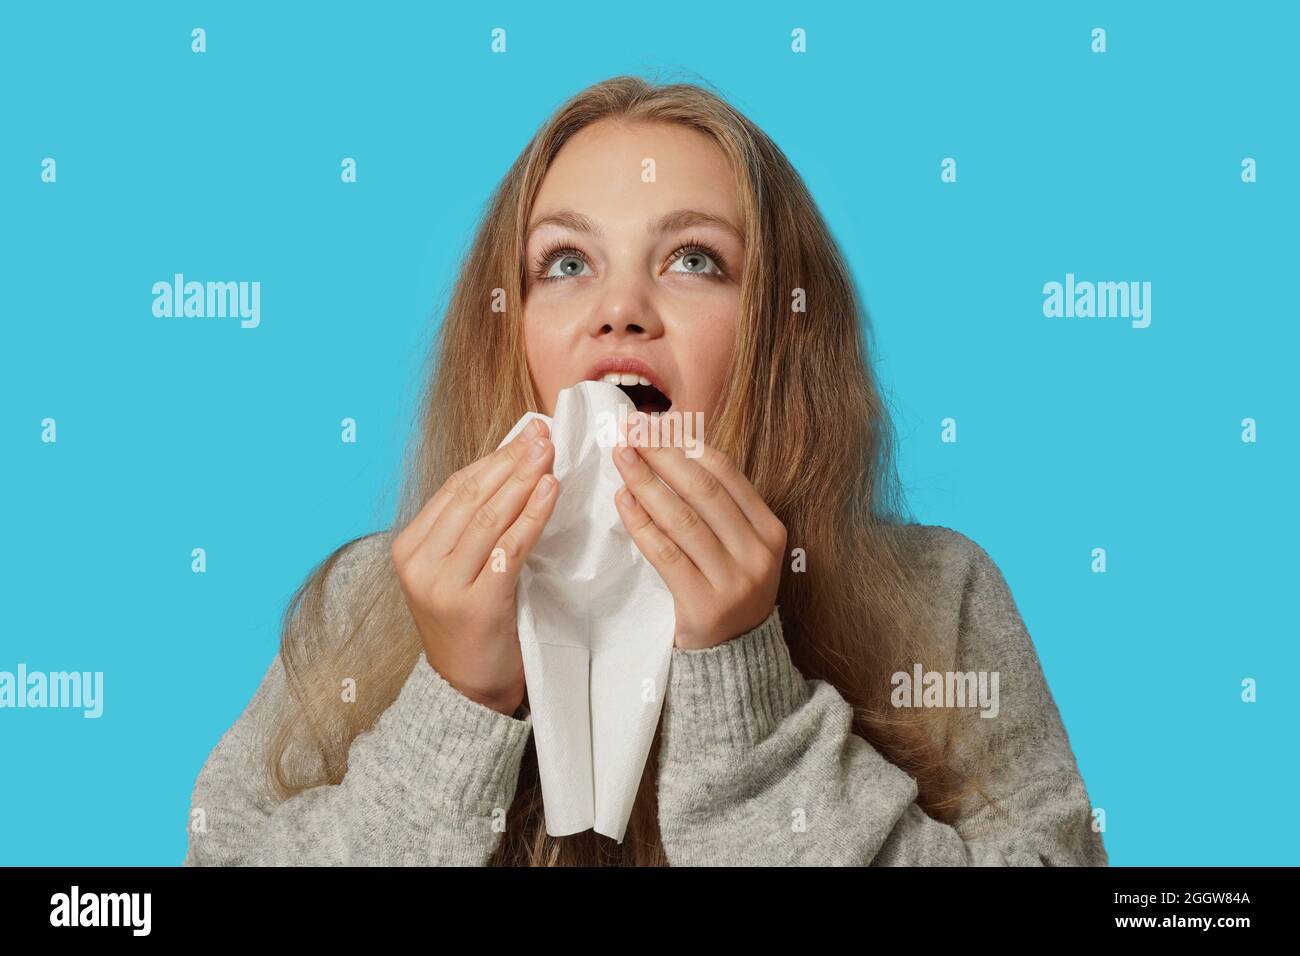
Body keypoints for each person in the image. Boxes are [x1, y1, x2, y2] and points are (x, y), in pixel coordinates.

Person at [183, 74, 1107, 867]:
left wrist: (750, 697)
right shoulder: (368, 595)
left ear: (781, 333)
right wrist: (455, 702)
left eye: (694, 260)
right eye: (568, 261)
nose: (621, 310)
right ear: (512, 326)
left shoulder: (942, 596)